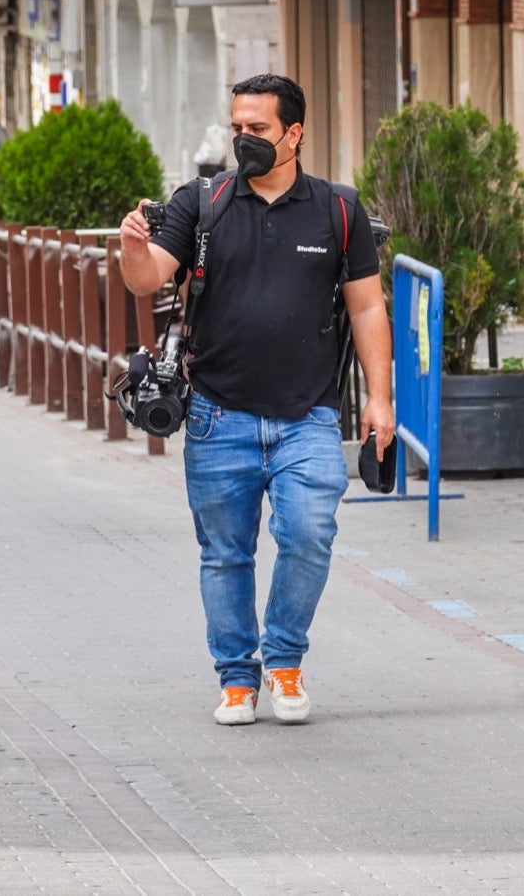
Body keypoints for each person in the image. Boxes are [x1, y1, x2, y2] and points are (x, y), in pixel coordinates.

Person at [118, 73, 394, 727]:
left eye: (259, 129)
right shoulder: (202, 201)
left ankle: (285, 661)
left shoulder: (338, 210)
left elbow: (367, 308)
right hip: (218, 413)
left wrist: (380, 400)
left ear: (294, 133)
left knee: (309, 535)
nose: (245, 139)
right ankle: (237, 679)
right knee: (226, 554)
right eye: (237, 127)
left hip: (310, 415)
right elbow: (147, 277)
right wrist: (131, 246)